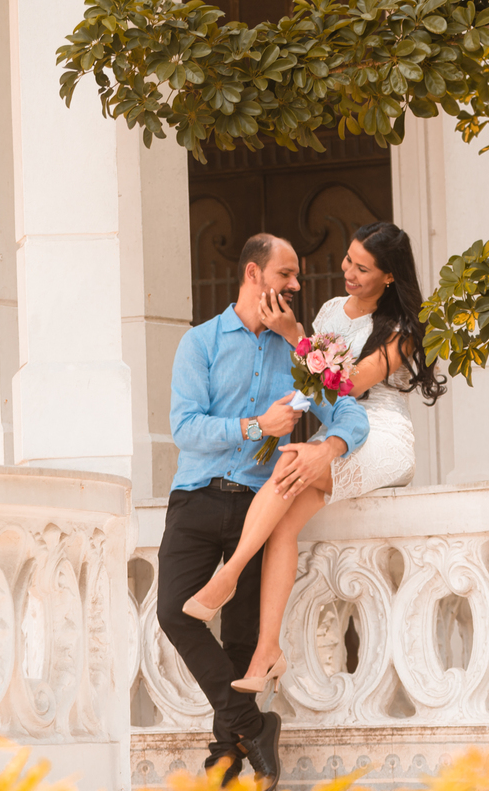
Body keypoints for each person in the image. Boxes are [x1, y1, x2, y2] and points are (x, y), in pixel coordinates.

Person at [185, 221, 447, 698]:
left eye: (361, 268)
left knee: (293, 467)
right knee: (284, 512)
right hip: (337, 426)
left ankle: (228, 576)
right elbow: (313, 388)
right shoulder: (331, 310)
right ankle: (267, 653)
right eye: (347, 260)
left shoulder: (403, 329)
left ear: (388, 277)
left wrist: (293, 334)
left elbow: (349, 385)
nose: (347, 272)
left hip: (383, 434)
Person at [158, 233, 369, 789]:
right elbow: (185, 429)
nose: (296, 285)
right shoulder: (199, 343)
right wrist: (258, 427)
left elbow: (352, 416)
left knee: (242, 640)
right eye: (286, 275)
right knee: (174, 612)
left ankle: (225, 757)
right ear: (254, 276)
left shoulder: (300, 355)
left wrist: (327, 446)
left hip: (259, 507)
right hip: (196, 496)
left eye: (296, 277)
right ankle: (254, 724)